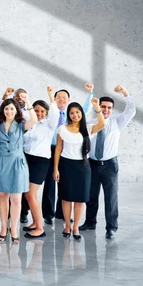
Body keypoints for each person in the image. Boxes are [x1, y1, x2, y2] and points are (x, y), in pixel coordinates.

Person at [80, 85, 135, 239]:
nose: (105, 109)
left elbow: (131, 111)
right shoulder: (91, 122)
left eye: (109, 107)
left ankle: (111, 227)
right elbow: (82, 116)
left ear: (112, 109)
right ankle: (90, 222)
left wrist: (125, 92)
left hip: (110, 165)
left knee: (111, 197)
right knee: (91, 196)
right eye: (103, 106)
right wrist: (91, 98)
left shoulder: (117, 122)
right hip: (92, 163)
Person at [53, 100, 105, 240]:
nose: (75, 115)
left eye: (77, 112)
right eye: (72, 113)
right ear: (68, 115)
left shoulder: (87, 129)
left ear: (81, 113)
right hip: (65, 166)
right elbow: (58, 149)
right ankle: (67, 226)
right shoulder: (62, 129)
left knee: (80, 199)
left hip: (82, 167)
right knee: (66, 198)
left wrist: (97, 108)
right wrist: (56, 169)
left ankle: (75, 227)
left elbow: (102, 124)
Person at [0, 96, 37, 244]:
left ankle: (14, 228)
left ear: (16, 110)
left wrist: (28, 101)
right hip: (1, 162)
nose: (9, 111)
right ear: (3, 110)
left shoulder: (21, 124)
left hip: (17, 163)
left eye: (11, 108)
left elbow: (34, 119)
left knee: (16, 199)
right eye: (6, 108)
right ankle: (4, 227)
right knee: (3, 196)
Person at [43, 86, 93, 224]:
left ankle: (61, 213)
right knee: (50, 181)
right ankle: (48, 213)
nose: (61, 99)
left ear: (68, 99)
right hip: (50, 148)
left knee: (65, 184)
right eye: (58, 97)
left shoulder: (71, 115)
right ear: (55, 99)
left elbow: (85, 109)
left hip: (66, 151)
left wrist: (90, 94)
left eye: (64, 97)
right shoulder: (50, 112)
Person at [22, 89, 60, 239]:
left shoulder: (49, 125)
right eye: (36, 111)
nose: (38, 113)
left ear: (46, 112)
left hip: (40, 161)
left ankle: (40, 227)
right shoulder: (31, 124)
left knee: (30, 194)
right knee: (28, 194)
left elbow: (55, 113)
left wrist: (51, 97)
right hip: (27, 159)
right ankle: (34, 222)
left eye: (41, 111)